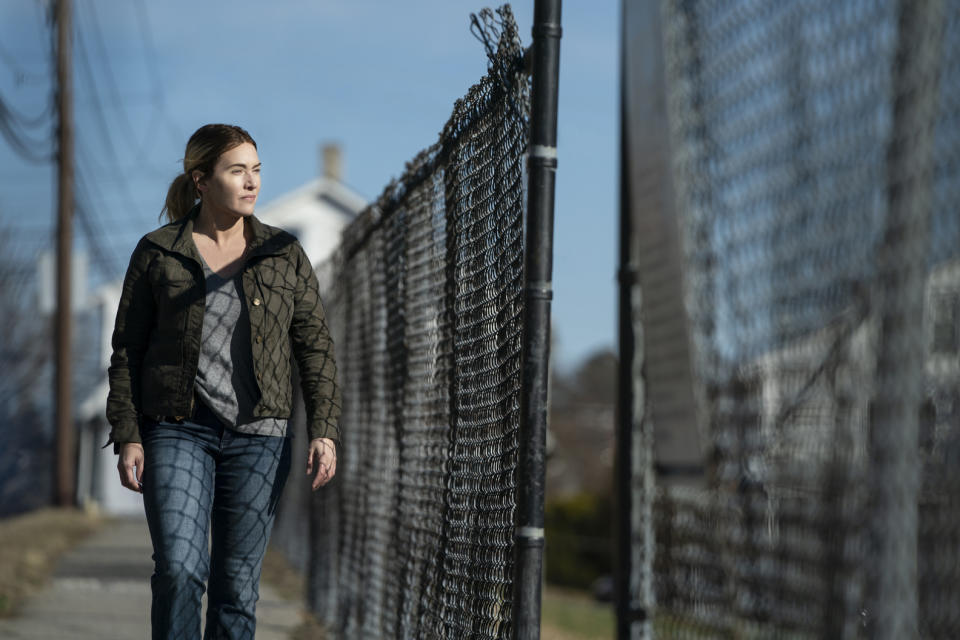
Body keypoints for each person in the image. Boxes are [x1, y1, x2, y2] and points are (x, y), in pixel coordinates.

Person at [105, 123, 341, 640]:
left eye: (256, 170)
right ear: (201, 180)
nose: (252, 182)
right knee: (181, 570)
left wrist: (324, 428)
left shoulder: (283, 254)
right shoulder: (158, 252)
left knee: (237, 588)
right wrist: (128, 433)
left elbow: (315, 347)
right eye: (237, 171)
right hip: (176, 429)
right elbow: (127, 350)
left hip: (261, 438)